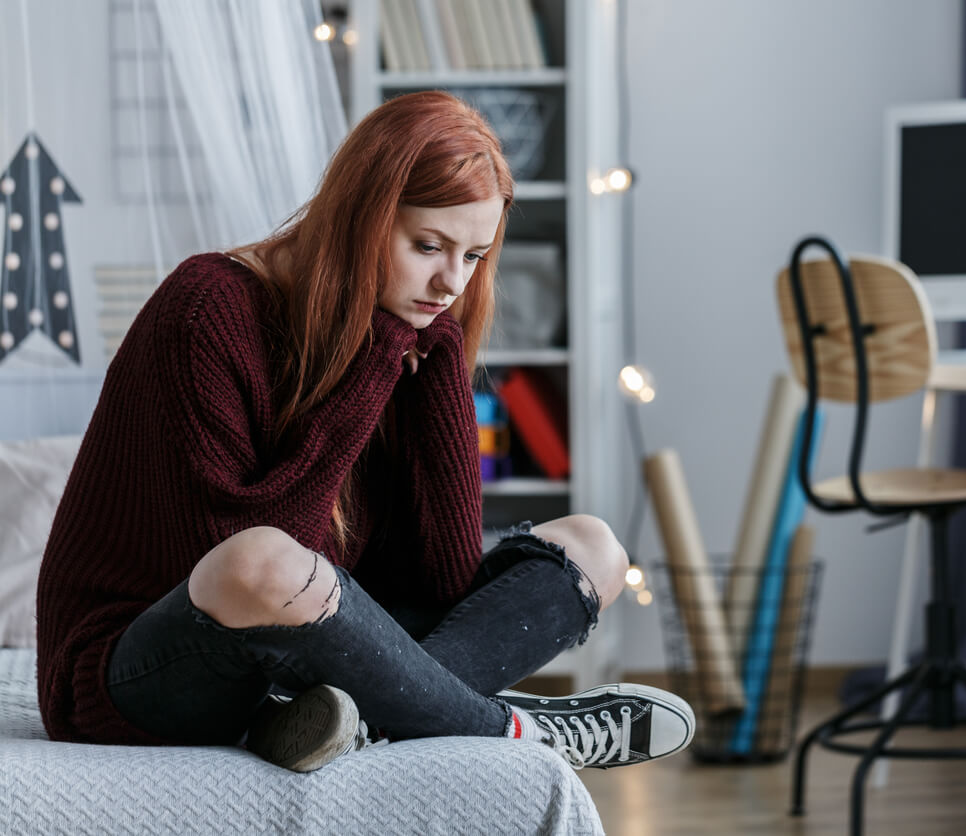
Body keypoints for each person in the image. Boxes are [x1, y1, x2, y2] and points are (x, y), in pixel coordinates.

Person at [35, 90, 694, 773]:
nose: (449, 283)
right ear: (359, 217)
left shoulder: (411, 328)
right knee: (262, 559)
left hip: (304, 665)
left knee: (593, 547)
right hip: (141, 664)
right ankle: (512, 732)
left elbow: (439, 582)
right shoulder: (207, 307)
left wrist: (435, 371)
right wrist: (374, 368)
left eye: (473, 257)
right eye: (427, 245)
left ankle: (349, 721)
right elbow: (243, 575)